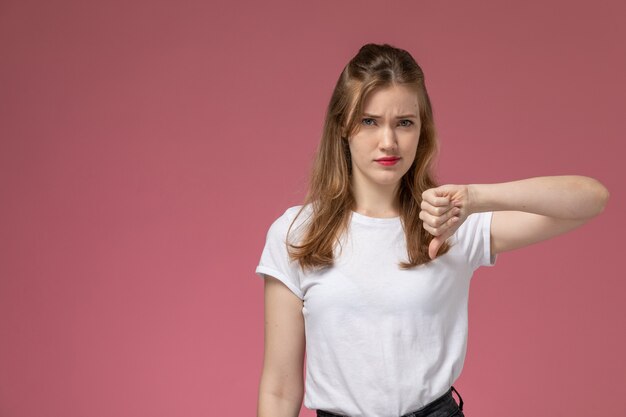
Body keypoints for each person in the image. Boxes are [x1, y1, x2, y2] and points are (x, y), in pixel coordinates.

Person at [254, 43, 609, 417]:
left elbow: (591, 199)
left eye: (404, 122)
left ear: (422, 130)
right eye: (369, 121)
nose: (388, 142)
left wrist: (474, 197)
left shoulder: (451, 222)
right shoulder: (297, 232)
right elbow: (279, 390)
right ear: (343, 126)